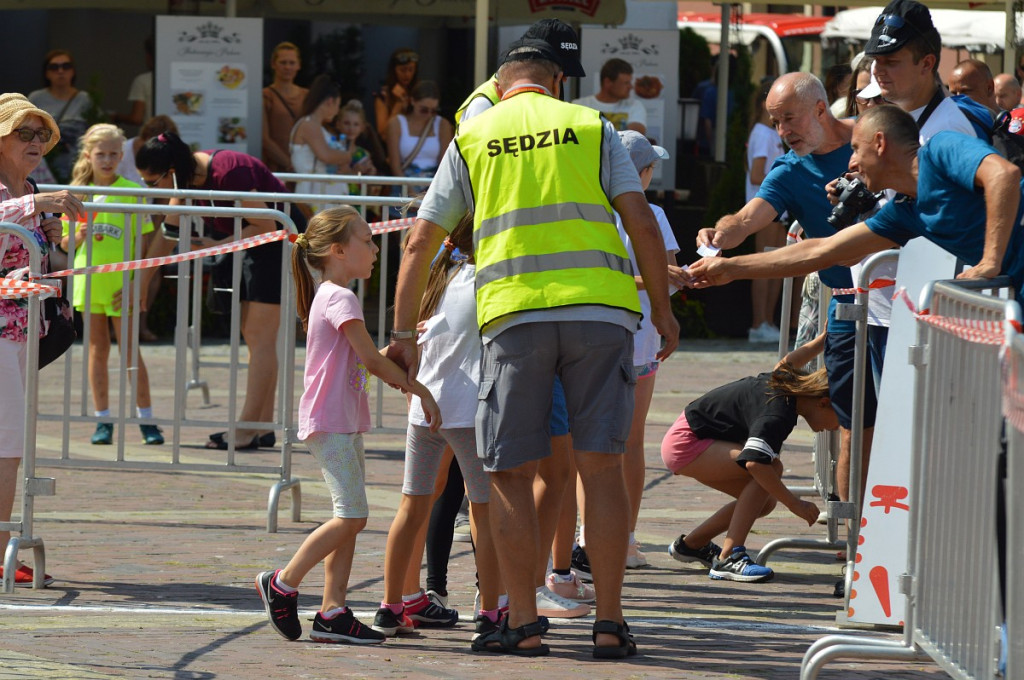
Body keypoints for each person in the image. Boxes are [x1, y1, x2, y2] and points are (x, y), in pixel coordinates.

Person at [386, 38, 679, 658]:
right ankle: (608, 622)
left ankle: (521, 623)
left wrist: (402, 334)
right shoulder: (590, 125)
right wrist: (664, 308)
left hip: (514, 316)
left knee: (510, 472)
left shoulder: (476, 135)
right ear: (552, 81)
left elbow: (419, 241)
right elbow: (642, 221)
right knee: (599, 468)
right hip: (600, 313)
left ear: (502, 80)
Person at [255, 206, 441, 644]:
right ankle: (282, 583)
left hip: (340, 420)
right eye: (367, 240)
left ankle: (333, 610)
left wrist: (396, 357)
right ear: (338, 251)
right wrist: (419, 389)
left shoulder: (331, 293)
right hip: (331, 421)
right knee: (352, 516)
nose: (376, 249)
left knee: (350, 515)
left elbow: (366, 355)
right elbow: (372, 360)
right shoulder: (340, 296)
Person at [687, 104, 1024, 308]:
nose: (850, 164)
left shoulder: (939, 148)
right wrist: (732, 269)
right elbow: (822, 251)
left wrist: (989, 263)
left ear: (880, 143)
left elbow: (1004, 176)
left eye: (855, 149)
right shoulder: (905, 212)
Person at [372, 215, 503, 642]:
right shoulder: (488, 277)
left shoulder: (441, 277)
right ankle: (491, 610)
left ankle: (390, 605)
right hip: (466, 409)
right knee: (483, 509)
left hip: (426, 408)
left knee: (412, 505)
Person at [135, 132, 298, 451]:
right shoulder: (183, 177)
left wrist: (217, 246)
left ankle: (247, 429)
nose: (151, 190)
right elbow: (168, 231)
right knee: (256, 338)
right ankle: (262, 426)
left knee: (259, 336)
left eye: (152, 182)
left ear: (170, 171)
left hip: (279, 243)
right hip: (253, 245)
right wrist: (141, 281)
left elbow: (267, 225)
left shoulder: (228, 172)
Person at [0, 92, 87, 587]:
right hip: (2, 330)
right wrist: (34, 206)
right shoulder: (23, 193)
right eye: (23, 133)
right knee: (7, 442)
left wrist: (46, 235)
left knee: (10, 440)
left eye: (41, 135)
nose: (35, 143)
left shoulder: (28, 186)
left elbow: (36, 263)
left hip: (22, 328)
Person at [664, 361, 829, 582]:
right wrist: (794, 504)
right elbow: (755, 463)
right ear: (824, 403)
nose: (837, 428)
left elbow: (792, 357)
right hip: (686, 442)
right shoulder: (778, 413)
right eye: (842, 420)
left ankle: (691, 545)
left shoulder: (787, 389)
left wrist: (820, 340)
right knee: (769, 468)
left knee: (766, 501)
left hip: (689, 439)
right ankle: (729, 557)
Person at [60, 124, 162, 447]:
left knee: (130, 350)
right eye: (100, 153)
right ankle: (103, 420)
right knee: (96, 350)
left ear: (121, 156)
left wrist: (137, 282)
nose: (106, 160)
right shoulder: (76, 192)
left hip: (122, 284)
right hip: (89, 284)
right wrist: (74, 237)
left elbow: (144, 243)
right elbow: (62, 243)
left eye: (113, 154)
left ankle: (146, 419)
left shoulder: (130, 190)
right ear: (88, 155)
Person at [744, 79, 786, 344]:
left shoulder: (771, 133)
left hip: (777, 209)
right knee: (764, 264)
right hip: (764, 207)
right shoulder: (762, 133)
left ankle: (768, 322)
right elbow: (757, 174)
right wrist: (785, 179)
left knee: (776, 267)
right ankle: (758, 322)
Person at [289, 75, 356, 212]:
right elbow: (325, 155)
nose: (337, 111)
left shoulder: (314, 125)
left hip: (321, 193)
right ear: (330, 101)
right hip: (315, 195)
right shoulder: (309, 125)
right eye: (338, 105)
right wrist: (348, 156)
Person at [28, 49, 93, 184]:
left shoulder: (85, 99)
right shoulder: (36, 98)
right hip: (44, 165)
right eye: (54, 67)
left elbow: (93, 133)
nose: (60, 71)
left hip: (77, 165)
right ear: (46, 73)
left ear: (73, 71)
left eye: (66, 66)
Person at [386, 81, 453, 179]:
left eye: (434, 111)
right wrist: (410, 191)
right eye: (424, 110)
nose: (429, 115)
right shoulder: (396, 123)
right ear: (412, 101)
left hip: (433, 181)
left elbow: (444, 164)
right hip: (404, 181)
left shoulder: (443, 125)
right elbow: (395, 166)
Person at [261, 42, 308, 174]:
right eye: (283, 62)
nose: (287, 67)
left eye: (292, 63)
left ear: (299, 65)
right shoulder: (265, 96)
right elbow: (264, 139)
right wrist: (290, 164)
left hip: (304, 168)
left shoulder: (307, 96)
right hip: (275, 170)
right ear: (273, 64)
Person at [572, 58, 647, 134]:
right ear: (608, 82)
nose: (631, 87)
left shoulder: (635, 106)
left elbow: (635, 138)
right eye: (626, 83)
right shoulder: (579, 105)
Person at [374, 48, 419, 138]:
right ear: (394, 71)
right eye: (402, 70)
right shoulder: (383, 95)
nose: (407, 74)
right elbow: (383, 132)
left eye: (411, 70)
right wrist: (398, 104)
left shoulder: (419, 92)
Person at [112, 36, 154, 131]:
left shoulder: (142, 80)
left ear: (148, 56)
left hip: (152, 137)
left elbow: (136, 118)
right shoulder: (175, 79)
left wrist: (116, 117)